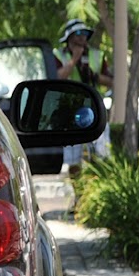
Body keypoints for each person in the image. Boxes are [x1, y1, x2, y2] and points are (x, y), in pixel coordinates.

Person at [54, 19, 112, 173]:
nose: (82, 37)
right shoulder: (59, 55)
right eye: (78, 34)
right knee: (73, 157)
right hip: (70, 109)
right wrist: (74, 59)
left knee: (101, 151)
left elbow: (111, 81)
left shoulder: (96, 55)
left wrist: (94, 76)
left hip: (94, 107)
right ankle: (77, 190)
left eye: (85, 33)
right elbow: (56, 78)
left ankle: (98, 182)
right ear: (69, 37)